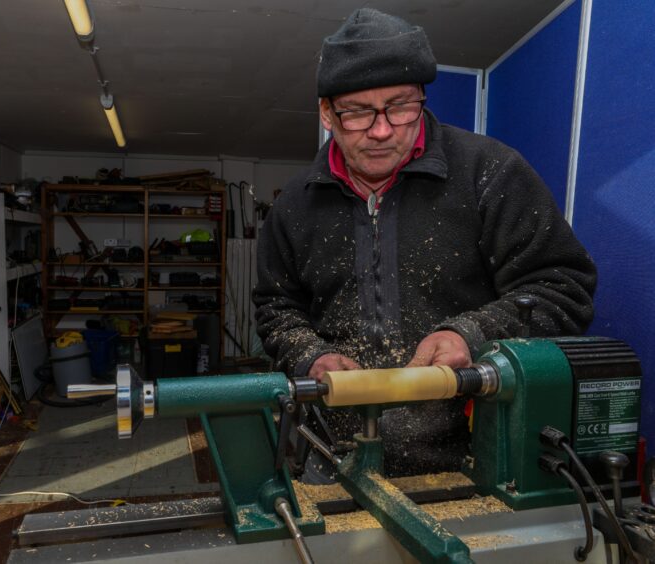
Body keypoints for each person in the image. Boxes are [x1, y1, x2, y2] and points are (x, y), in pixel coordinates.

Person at [252, 8, 596, 478]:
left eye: (401, 106)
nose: (381, 129)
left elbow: (563, 288)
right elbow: (276, 308)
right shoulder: (294, 205)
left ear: (422, 98)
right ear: (326, 114)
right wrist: (311, 355)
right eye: (357, 112)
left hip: (477, 457)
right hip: (335, 456)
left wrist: (470, 335)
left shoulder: (489, 172)